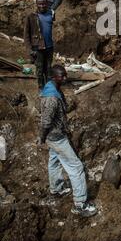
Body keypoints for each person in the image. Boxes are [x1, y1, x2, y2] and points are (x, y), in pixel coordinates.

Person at [39, 64, 98, 218]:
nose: (65, 78)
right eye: (61, 76)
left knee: (54, 160)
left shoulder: (53, 87)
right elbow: (46, 121)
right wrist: (42, 138)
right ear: (53, 77)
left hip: (55, 135)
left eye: (65, 75)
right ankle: (80, 205)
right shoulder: (51, 97)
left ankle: (56, 189)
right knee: (77, 168)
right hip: (56, 137)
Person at [24, 0, 55, 89]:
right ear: (36, 4)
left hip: (49, 47)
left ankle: (49, 87)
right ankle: (41, 88)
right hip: (38, 47)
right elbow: (26, 35)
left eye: (44, 4)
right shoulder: (31, 16)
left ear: (47, 4)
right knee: (40, 69)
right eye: (39, 4)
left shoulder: (51, 13)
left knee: (49, 68)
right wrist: (30, 50)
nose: (42, 6)